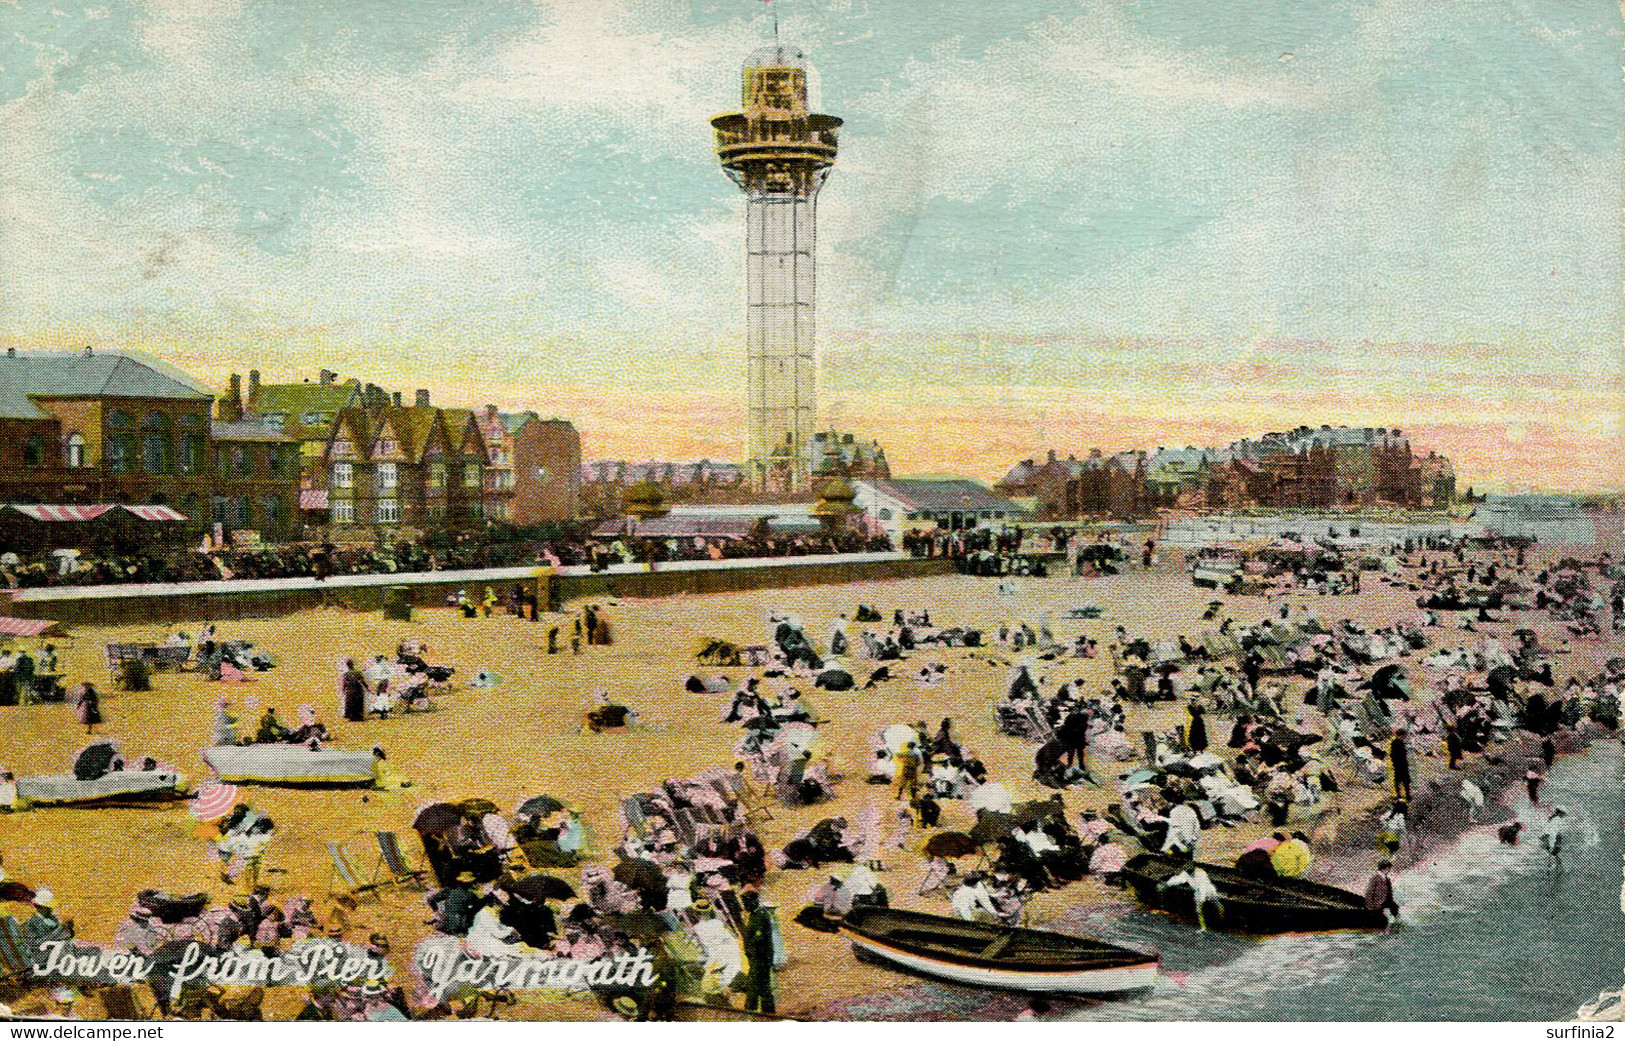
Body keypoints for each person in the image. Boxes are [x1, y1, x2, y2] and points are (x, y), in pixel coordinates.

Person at [740, 889, 777, 1016]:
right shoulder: (754, 914)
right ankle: (768, 1011)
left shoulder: (761, 916)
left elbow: (758, 939)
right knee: (763, 986)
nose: (744, 906)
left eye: (746, 903)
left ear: (753, 902)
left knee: (755, 984)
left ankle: (750, 1010)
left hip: (760, 957)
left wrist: (750, 951)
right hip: (757, 957)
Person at [1163, 860, 1222, 931]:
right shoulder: (1185, 873)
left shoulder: (1200, 873)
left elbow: (1202, 887)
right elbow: (1177, 879)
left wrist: (1201, 899)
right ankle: (1203, 928)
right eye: (1186, 868)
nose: (1187, 870)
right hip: (1198, 891)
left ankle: (1221, 922)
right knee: (1198, 910)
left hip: (1208, 890)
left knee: (1217, 906)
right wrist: (1166, 884)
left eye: (1189, 868)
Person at [1161, 793, 1201, 857]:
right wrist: (1195, 836)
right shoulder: (1190, 810)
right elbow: (1197, 824)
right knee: (1189, 856)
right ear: (1184, 801)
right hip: (1190, 838)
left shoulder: (1173, 812)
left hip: (1181, 839)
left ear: (1173, 802)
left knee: (1179, 857)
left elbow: (1175, 828)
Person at [1364, 859, 1400, 925]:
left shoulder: (1387, 879)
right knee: (1385, 915)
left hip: (1386, 902)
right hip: (1377, 903)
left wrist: (1391, 901)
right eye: (1388, 868)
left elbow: (1389, 893)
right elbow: (1369, 893)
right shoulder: (1375, 878)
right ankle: (1387, 923)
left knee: (1395, 908)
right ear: (1383, 868)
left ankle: (1394, 923)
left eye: (1389, 868)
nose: (1389, 870)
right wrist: (1370, 906)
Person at [1541, 807, 1567, 872]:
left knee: (1553, 854)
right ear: (1560, 813)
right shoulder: (1557, 819)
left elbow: (1547, 829)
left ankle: (1552, 869)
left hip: (1548, 837)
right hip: (1553, 838)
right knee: (1554, 853)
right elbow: (1554, 831)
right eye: (1563, 814)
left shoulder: (1552, 818)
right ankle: (1557, 869)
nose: (1563, 816)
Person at [1389, 729, 1412, 802]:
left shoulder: (1398, 742)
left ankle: (1401, 795)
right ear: (1402, 735)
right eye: (1404, 735)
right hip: (1401, 764)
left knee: (1400, 780)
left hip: (1399, 764)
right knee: (1403, 780)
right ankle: (1405, 795)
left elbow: (1393, 755)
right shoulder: (1397, 742)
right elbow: (1395, 755)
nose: (1405, 736)